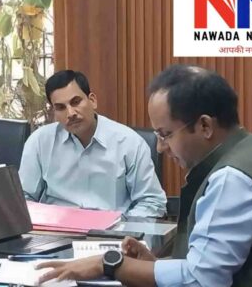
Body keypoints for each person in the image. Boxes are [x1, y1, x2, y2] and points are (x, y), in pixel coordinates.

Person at [38, 64, 252, 287]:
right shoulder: (247, 146)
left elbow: (202, 281)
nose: (160, 147)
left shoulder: (231, 179)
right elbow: (206, 266)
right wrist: (150, 266)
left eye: (165, 134)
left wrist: (110, 263)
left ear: (205, 126)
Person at [19, 69, 166, 216]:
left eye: (76, 102)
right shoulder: (39, 142)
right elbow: (23, 198)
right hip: (56, 227)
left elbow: (152, 201)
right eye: (61, 108)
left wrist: (124, 225)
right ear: (54, 112)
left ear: (92, 100)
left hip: (113, 228)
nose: (70, 113)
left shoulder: (129, 142)